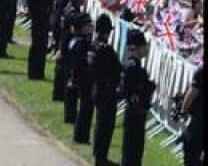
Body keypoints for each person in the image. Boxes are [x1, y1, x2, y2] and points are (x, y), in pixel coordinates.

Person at [90, 14, 121, 166]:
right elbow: (117, 69)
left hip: (97, 88)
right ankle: (101, 157)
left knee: (100, 124)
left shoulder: (93, 45)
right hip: (107, 91)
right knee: (106, 126)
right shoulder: (106, 49)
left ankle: (98, 154)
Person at [120, 32, 155, 166]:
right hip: (135, 111)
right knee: (132, 150)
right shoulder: (133, 67)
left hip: (136, 111)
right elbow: (132, 90)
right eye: (143, 46)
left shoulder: (135, 65)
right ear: (136, 47)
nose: (146, 49)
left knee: (135, 149)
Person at [66, 12, 95, 139]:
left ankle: (81, 134)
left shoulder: (75, 41)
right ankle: (81, 135)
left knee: (84, 107)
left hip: (79, 76)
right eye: (88, 25)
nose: (90, 27)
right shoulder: (82, 43)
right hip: (84, 78)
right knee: (85, 108)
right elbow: (80, 62)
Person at [182, 66, 203, 166]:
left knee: (191, 157)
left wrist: (184, 110)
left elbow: (192, 93)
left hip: (199, 123)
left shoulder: (202, 72)